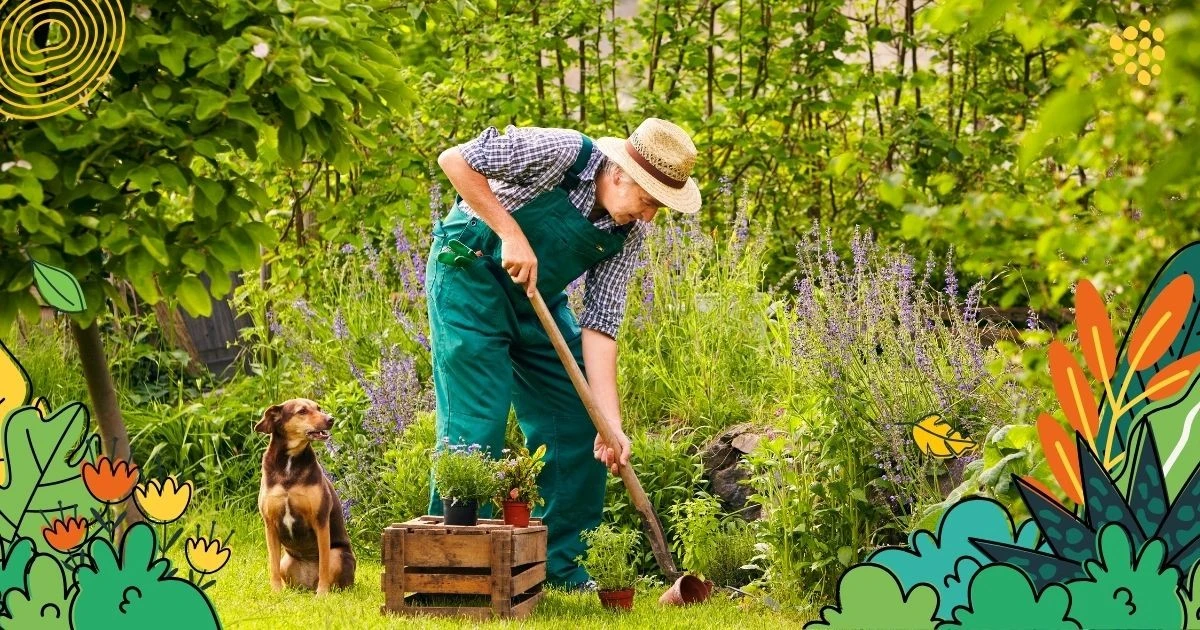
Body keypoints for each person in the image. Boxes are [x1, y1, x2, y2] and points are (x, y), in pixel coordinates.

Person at [425, 118, 701, 588]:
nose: (649, 217)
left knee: (580, 420)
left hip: (536, 299)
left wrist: (610, 425)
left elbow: (602, 325)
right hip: (469, 279)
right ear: (620, 174)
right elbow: (455, 160)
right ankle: (455, 569)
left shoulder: (625, 233)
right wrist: (510, 233)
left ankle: (557, 565)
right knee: (477, 424)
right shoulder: (562, 152)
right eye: (649, 201)